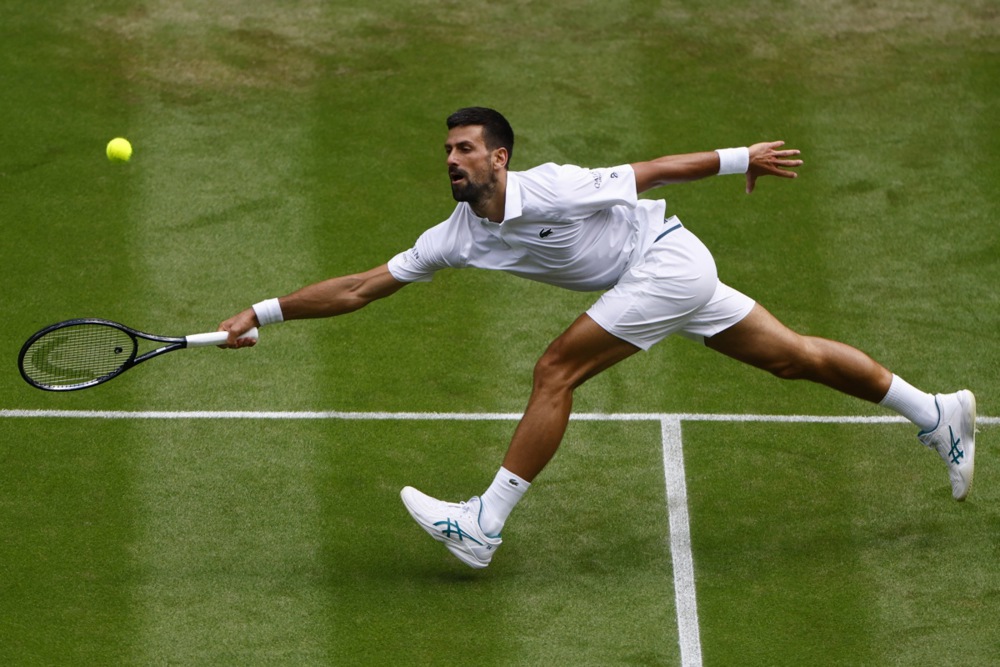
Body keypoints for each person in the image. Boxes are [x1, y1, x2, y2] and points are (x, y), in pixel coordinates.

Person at [219, 107, 977, 570]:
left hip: (665, 262)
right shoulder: (455, 235)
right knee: (793, 357)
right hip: (667, 273)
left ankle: (484, 523)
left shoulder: (554, 185)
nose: (451, 160)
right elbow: (360, 286)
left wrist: (743, 159)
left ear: (499, 158)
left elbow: (651, 171)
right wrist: (263, 310)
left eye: (465, 149)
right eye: (447, 150)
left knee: (556, 368)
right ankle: (936, 412)